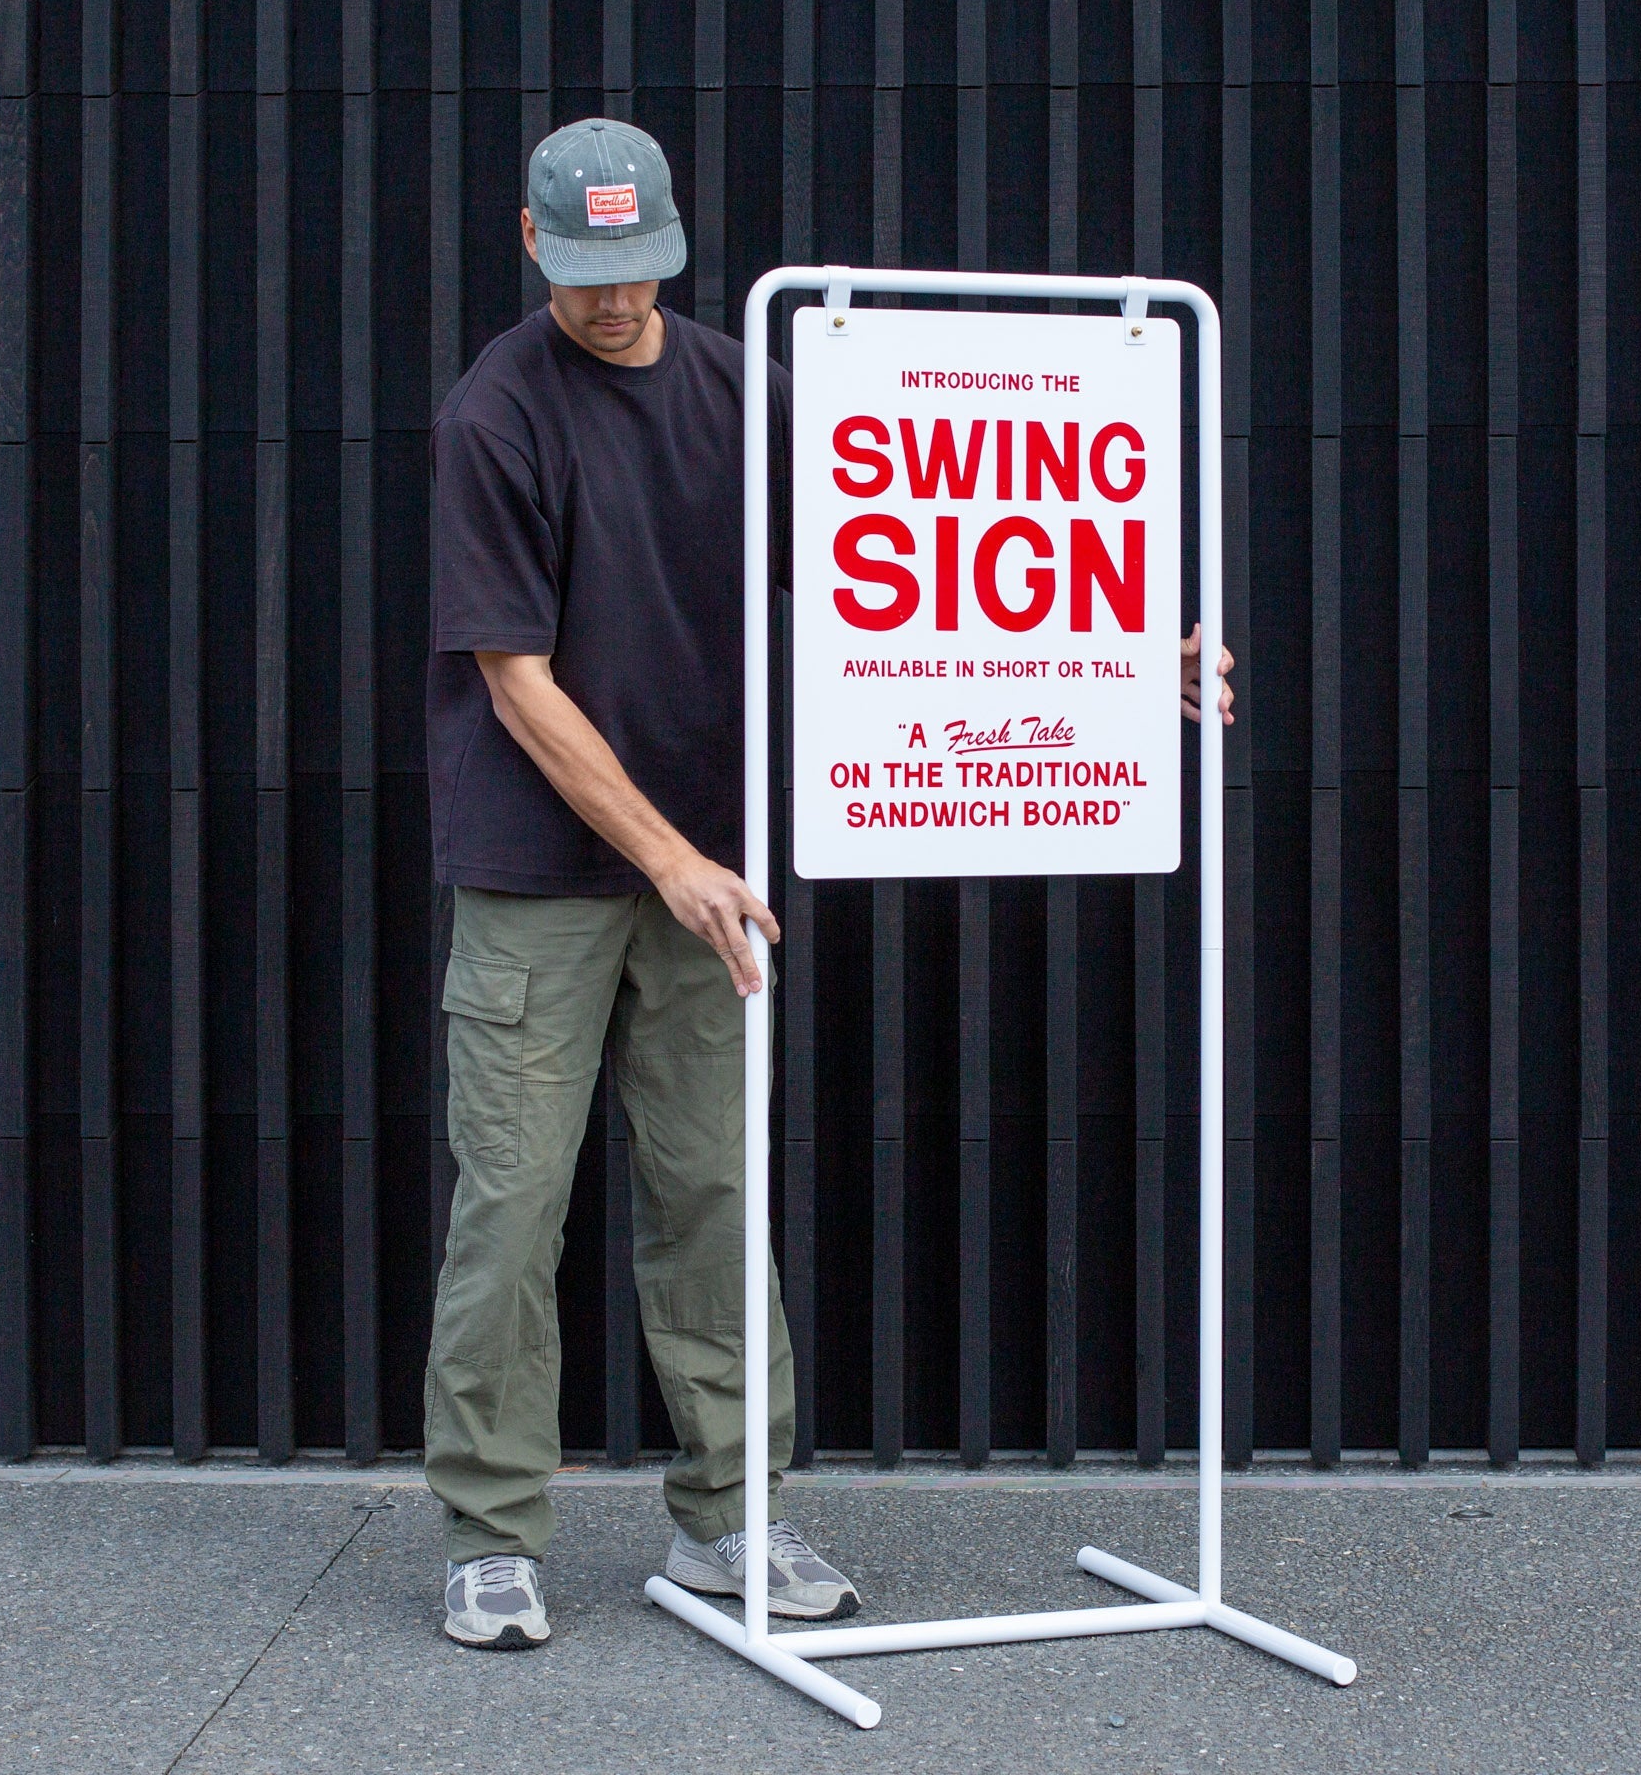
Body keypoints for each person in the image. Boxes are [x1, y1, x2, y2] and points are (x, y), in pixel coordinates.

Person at [425, 117, 1234, 1652]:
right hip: (545, 874)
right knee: (513, 1209)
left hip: (710, 873)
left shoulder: (743, 390)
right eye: (589, 273)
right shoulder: (498, 416)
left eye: (643, 268)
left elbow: (920, 557)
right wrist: (662, 859)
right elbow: (516, 682)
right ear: (535, 250)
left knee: (715, 1197)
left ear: (675, 240)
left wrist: (1142, 658)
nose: (618, 301)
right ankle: (488, 1530)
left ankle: (735, 1515)